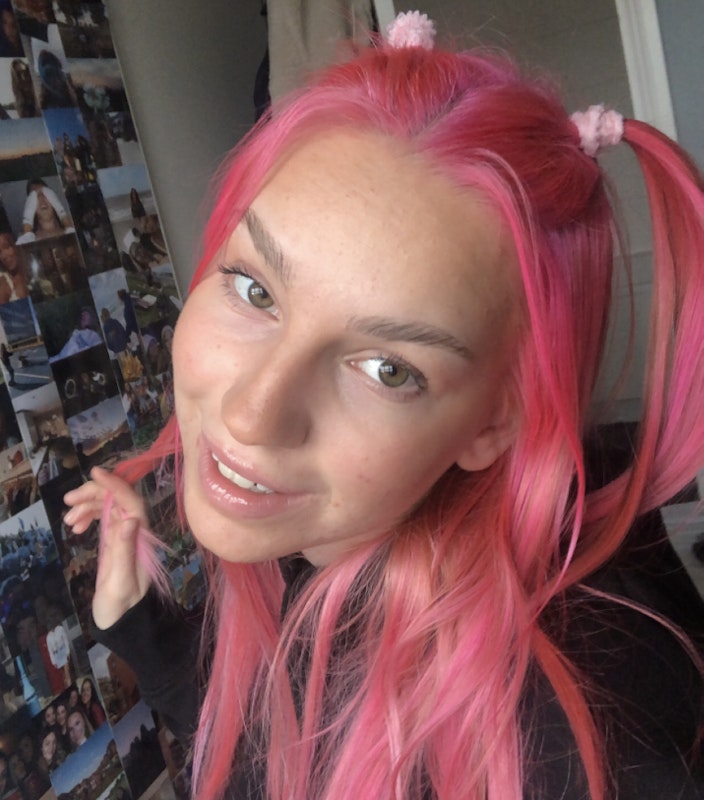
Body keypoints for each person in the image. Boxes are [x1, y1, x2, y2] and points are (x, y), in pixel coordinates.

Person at [63, 12, 704, 800]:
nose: (253, 414)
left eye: (388, 369)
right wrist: (135, 620)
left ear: (492, 422)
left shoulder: (565, 750)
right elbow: (275, 745)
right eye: (255, 289)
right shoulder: (335, 547)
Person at [0, 232, 29, 303]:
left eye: (7, 247)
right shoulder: (4, 283)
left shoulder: (33, 271)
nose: (4, 256)